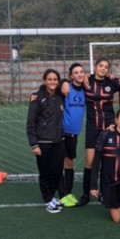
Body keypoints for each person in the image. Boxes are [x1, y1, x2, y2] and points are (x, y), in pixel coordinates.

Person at [77, 58, 120, 207]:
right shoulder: (87, 80)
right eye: (101, 66)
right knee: (90, 161)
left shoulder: (111, 83)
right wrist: (65, 82)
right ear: (95, 67)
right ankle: (86, 194)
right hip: (93, 128)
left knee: (107, 161)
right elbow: (71, 81)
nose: (103, 69)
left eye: (106, 67)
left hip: (109, 127)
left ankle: (103, 192)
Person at [26, 68, 66, 213]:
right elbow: (30, 123)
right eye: (49, 79)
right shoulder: (37, 97)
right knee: (45, 173)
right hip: (43, 143)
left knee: (56, 171)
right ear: (44, 81)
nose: (52, 82)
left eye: (55, 79)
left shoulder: (60, 96)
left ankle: (52, 196)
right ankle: (48, 200)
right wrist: (34, 144)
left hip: (59, 141)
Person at [59, 62, 86, 206]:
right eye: (76, 72)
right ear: (71, 76)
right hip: (61, 131)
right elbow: (50, 86)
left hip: (74, 134)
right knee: (58, 162)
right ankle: (61, 194)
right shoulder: (66, 88)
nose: (79, 74)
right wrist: (63, 81)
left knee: (69, 163)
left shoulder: (86, 90)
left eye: (81, 71)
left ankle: (67, 193)